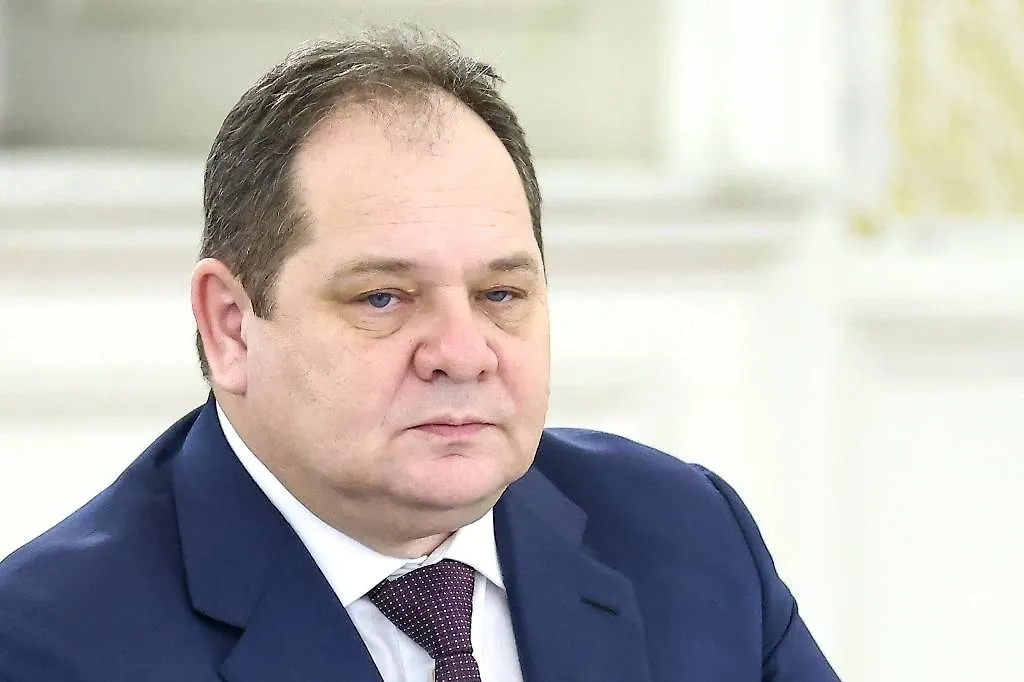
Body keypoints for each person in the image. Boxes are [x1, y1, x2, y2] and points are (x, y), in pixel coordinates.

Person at [0, 25, 840, 682]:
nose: (463, 354)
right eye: (383, 298)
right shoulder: (49, 643)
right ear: (230, 326)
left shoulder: (686, 536)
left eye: (500, 294)